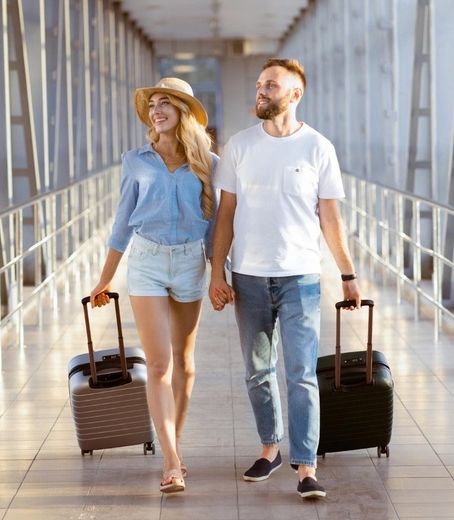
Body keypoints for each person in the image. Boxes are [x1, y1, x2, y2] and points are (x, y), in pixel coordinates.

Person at [209, 58, 361, 499]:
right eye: (259, 85)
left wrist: (347, 274)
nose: (261, 91)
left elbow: (330, 218)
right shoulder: (239, 146)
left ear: (295, 95)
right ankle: (270, 448)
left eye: (271, 86)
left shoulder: (318, 148)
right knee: (258, 372)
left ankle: (306, 466)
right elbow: (226, 215)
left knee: (300, 373)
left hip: (301, 278)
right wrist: (216, 271)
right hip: (249, 278)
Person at [89, 77, 217, 494]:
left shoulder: (209, 163)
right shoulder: (135, 160)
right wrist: (105, 280)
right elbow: (122, 222)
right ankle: (171, 461)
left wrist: (220, 274)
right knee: (158, 365)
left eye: (166, 103)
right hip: (145, 262)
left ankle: (173, 443)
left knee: (185, 363)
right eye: (153, 104)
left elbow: (216, 225)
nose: (156, 110)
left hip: (190, 264)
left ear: (183, 112)